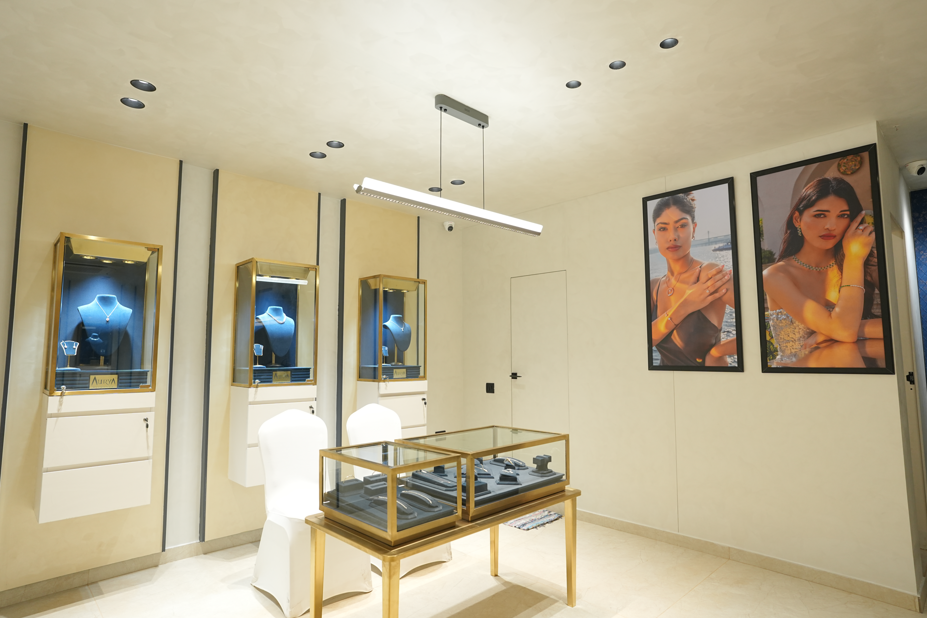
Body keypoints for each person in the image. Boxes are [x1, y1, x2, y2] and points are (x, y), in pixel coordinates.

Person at [762, 176, 882, 367]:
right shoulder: (776, 276)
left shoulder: (868, 263)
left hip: (858, 370)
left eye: (843, 215)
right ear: (797, 219)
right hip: (801, 379)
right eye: (820, 215)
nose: (831, 226)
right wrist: (853, 259)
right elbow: (844, 331)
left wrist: (835, 332)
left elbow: (909, 320)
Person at [649, 194, 735, 366]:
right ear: (655, 234)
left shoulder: (710, 274)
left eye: (681, 226)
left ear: (694, 229)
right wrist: (685, 305)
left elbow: (764, 321)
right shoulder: (654, 287)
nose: (672, 236)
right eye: (663, 228)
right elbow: (638, 342)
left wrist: (718, 352)